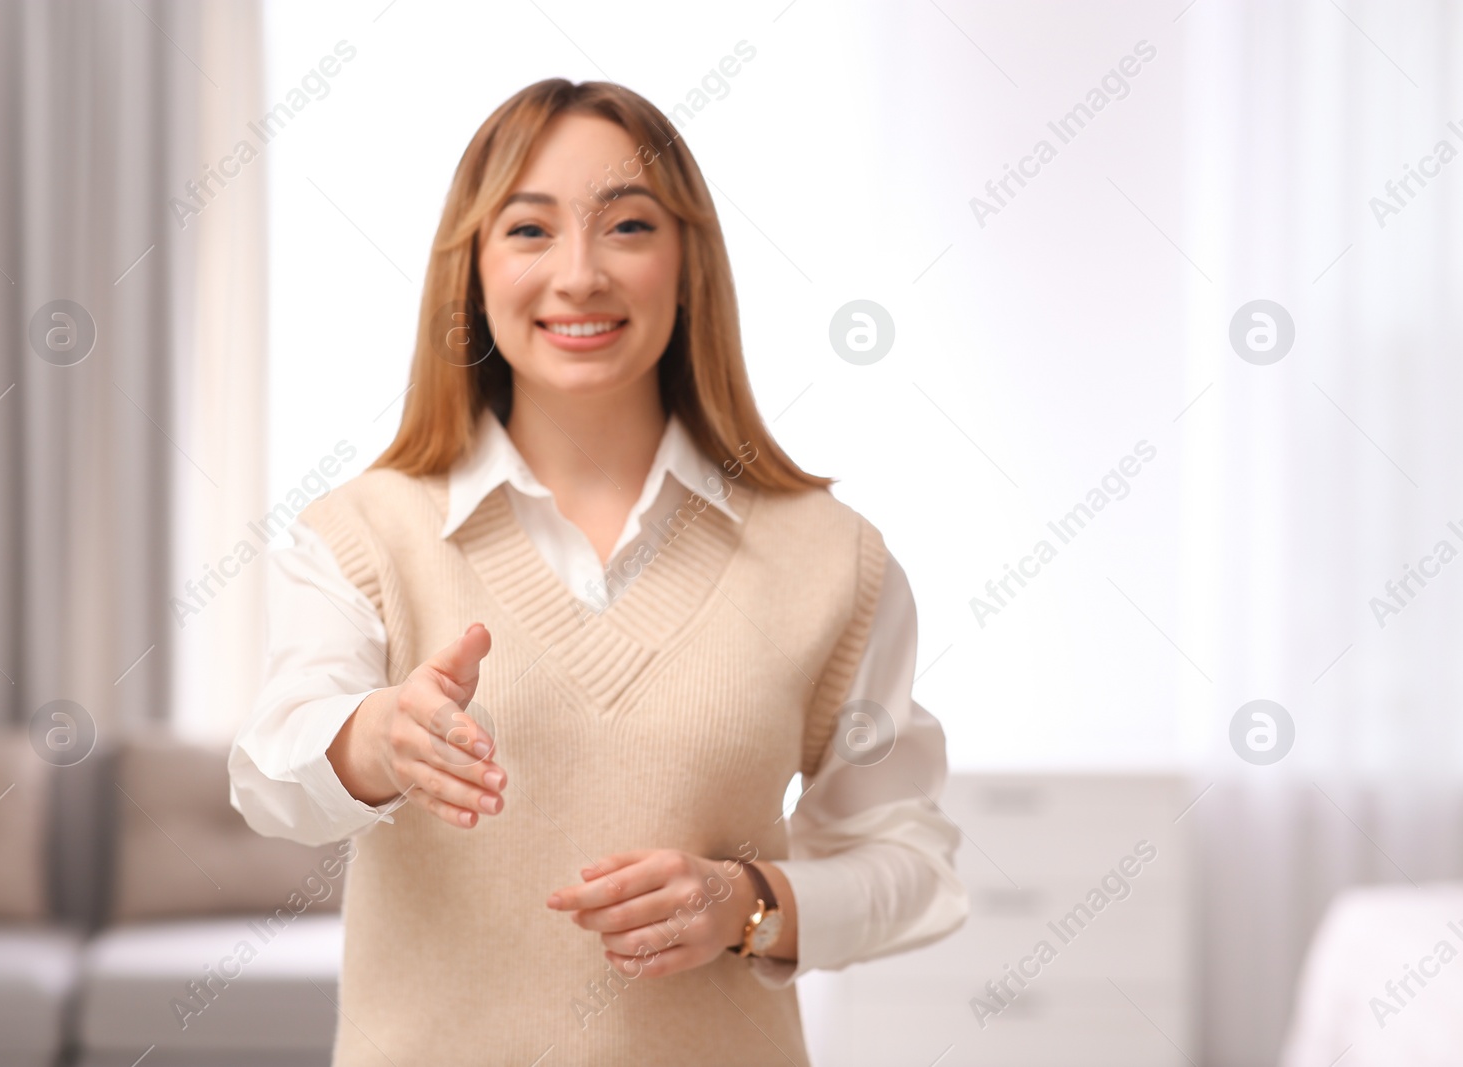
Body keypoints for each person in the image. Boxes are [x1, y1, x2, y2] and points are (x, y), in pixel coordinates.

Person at [229, 78, 968, 1067]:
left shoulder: (833, 559)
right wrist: (375, 738)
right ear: (474, 273)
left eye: (626, 226)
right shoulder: (364, 533)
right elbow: (268, 772)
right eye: (529, 231)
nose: (578, 274)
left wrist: (748, 903)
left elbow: (912, 865)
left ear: (687, 264)